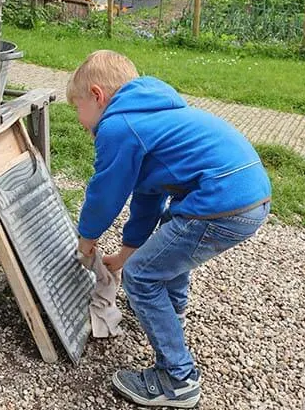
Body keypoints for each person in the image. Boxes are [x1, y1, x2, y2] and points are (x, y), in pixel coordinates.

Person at [67, 50, 271, 408]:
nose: (81, 122)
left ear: (98, 96)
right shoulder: (153, 117)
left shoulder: (118, 126)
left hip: (222, 202)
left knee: (143, 277)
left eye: (77, 108)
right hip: (246, 196)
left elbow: (105, 193)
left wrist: (87, 241)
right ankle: (168, 316)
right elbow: (148, 199)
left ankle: (177, 379)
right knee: (165, 246)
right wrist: (125, 253)